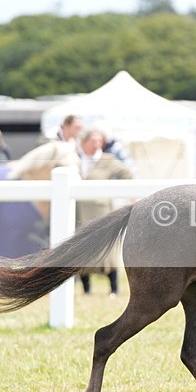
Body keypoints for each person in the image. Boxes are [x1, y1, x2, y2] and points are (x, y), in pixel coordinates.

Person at [76, 128, 133, 298]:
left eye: (99, 141)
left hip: (101, 211)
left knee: (108, 252)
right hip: (79, 212)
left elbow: (127, 174)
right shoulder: (75, 160)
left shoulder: (107, 160)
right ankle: (86, 290)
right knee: (81, 251)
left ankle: (114, 289)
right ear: (84, 142)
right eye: (92, 141)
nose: (96, 145)